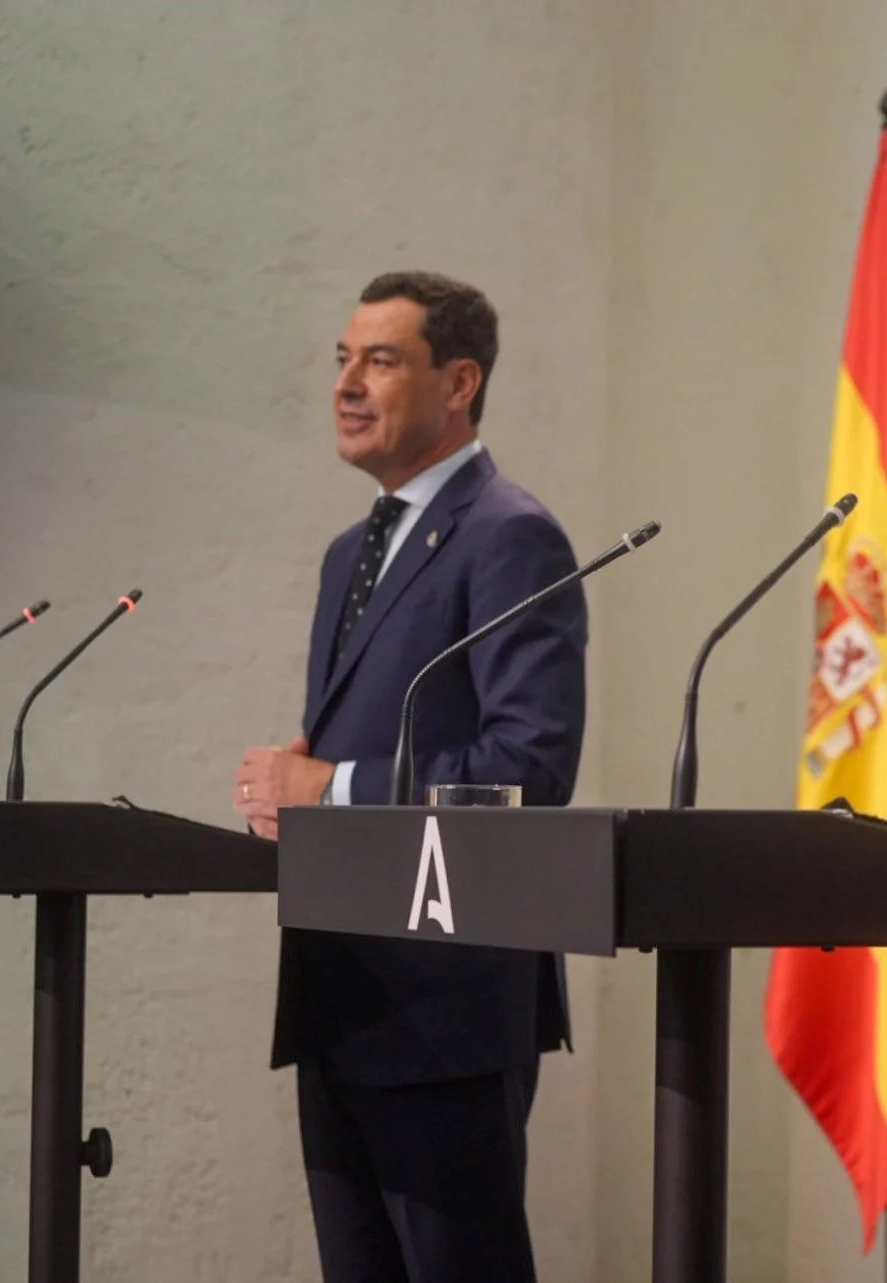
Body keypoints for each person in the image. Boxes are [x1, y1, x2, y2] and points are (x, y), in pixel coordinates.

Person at [232, 271, 587, 1283]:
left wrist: (327, 789)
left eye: (380, 360)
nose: (347, 382)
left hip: (445, 999)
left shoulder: (510, 534)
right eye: (343, 358)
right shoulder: (353, 550)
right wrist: (296, 796)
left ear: (460, 381)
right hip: (341, 989)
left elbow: (527, 768)